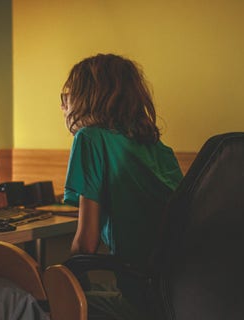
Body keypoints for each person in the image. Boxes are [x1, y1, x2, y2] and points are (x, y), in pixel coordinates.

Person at [60, 53, 183, 319]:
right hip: (182, 296)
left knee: (47, 301)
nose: (64, 105)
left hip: (143, 300)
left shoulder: (90, 138)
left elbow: (85, 247)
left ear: (85, 98)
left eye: (66, 96)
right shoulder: (157, 146)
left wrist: (58, 284)